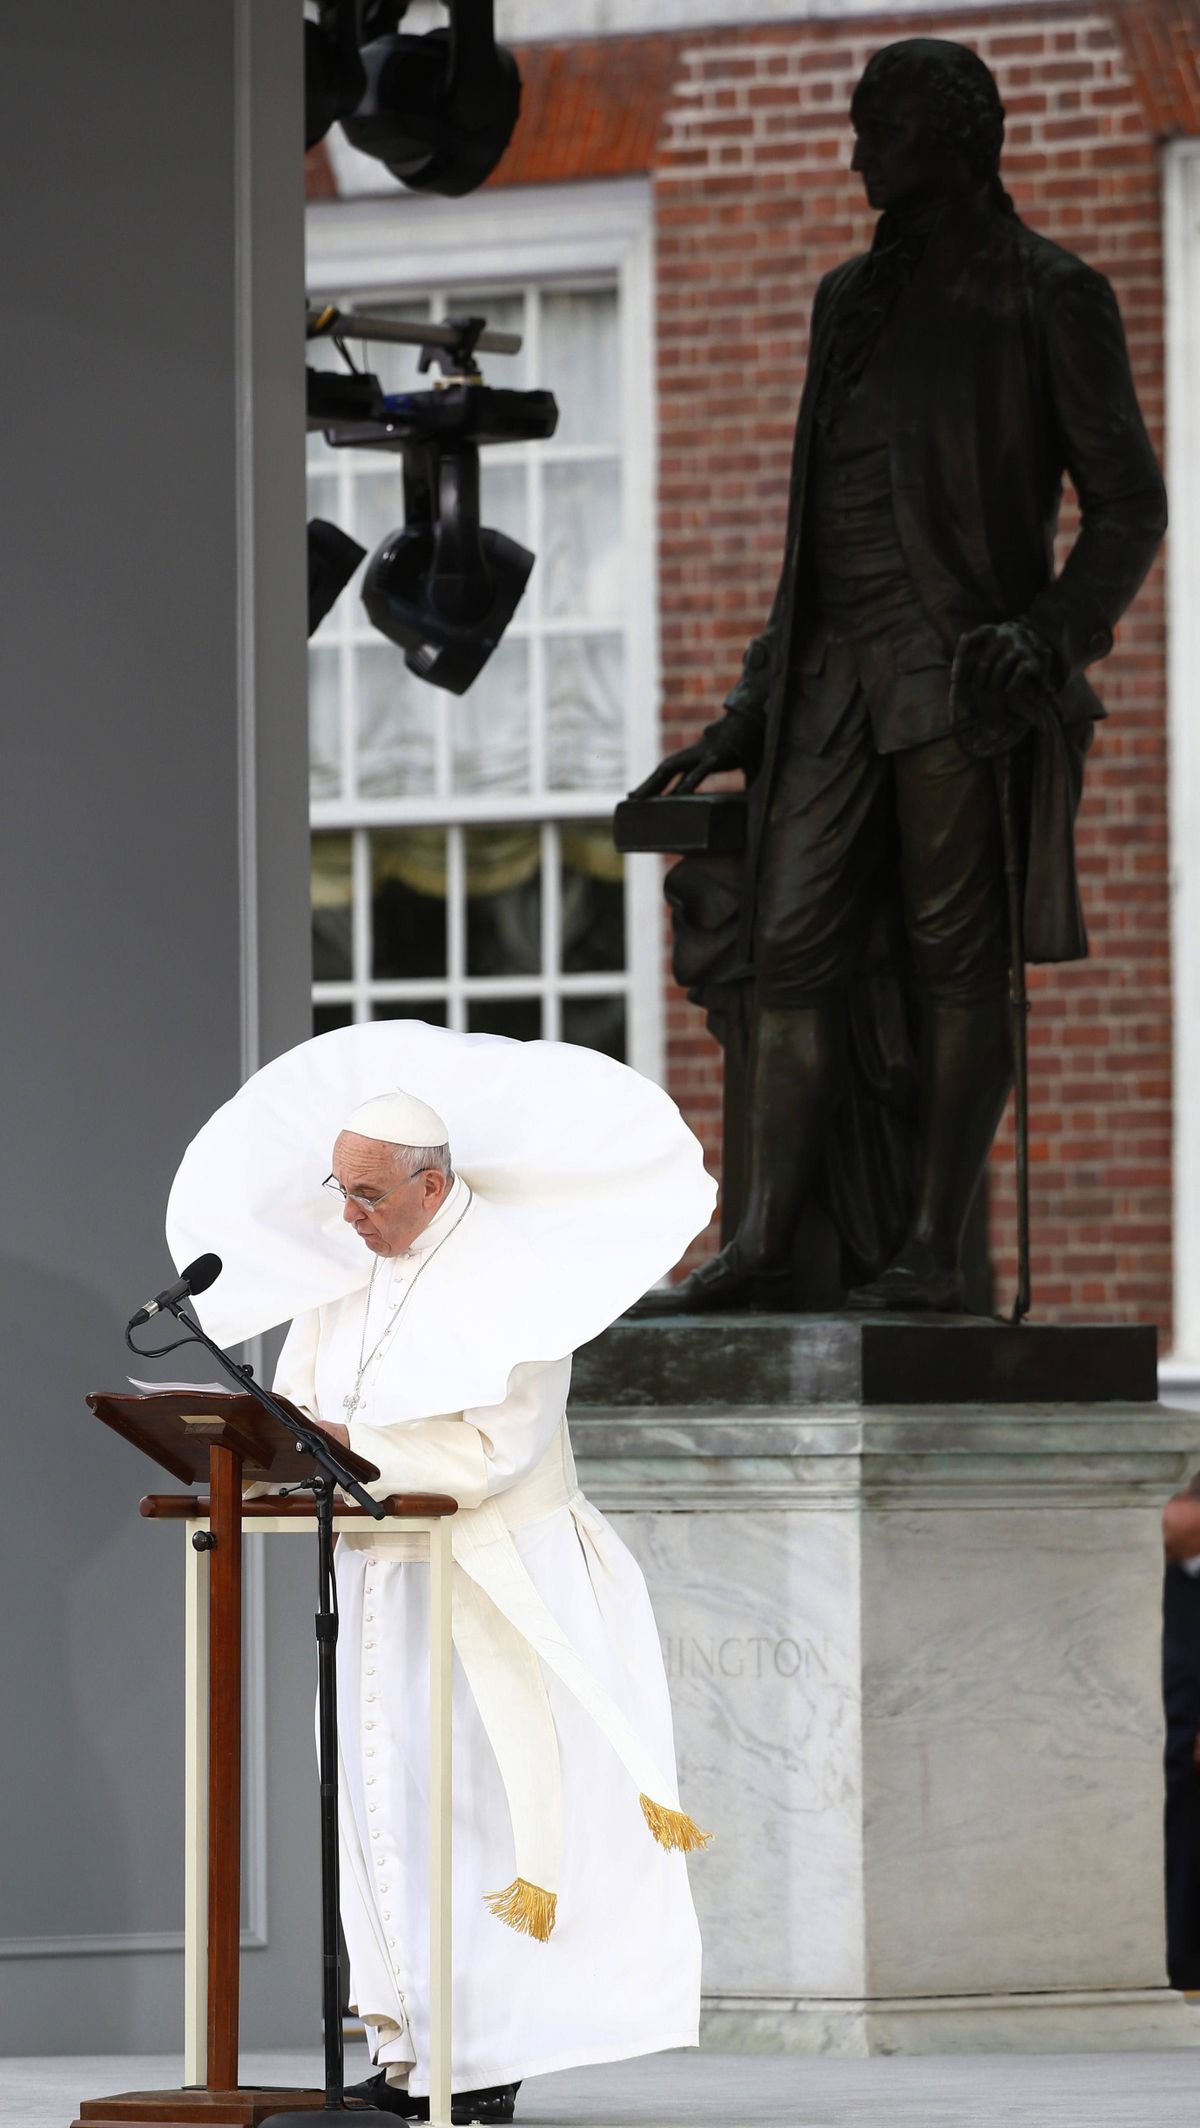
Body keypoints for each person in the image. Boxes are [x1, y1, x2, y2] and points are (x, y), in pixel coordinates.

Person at [631, 36, 1166, 1314]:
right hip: (827, 685)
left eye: (880, 126)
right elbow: (809, 540)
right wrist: (751, 705)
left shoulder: (1049, 291)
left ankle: (934, 1248)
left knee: (956, 968)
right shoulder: (843, 300)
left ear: (958, 136)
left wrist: (1046, 634)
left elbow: (1130, 509)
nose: (857, 151)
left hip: (958, 682)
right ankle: (762, 1242)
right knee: (789, 947)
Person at [165, 1023, 716, 2122]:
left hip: (499, 1576)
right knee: (379, 1811)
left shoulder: (519, 1275)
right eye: (341, 1190)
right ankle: (404, 2053)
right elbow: (302, 1419)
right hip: (381, 1577)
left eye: (369, 1194)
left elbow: (490, 1453)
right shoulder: (344, 1262)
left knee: (471, 1816)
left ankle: (482, 2062)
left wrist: (339, 1445)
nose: (351, 1213)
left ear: (432, 1183)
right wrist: (275, 1453)